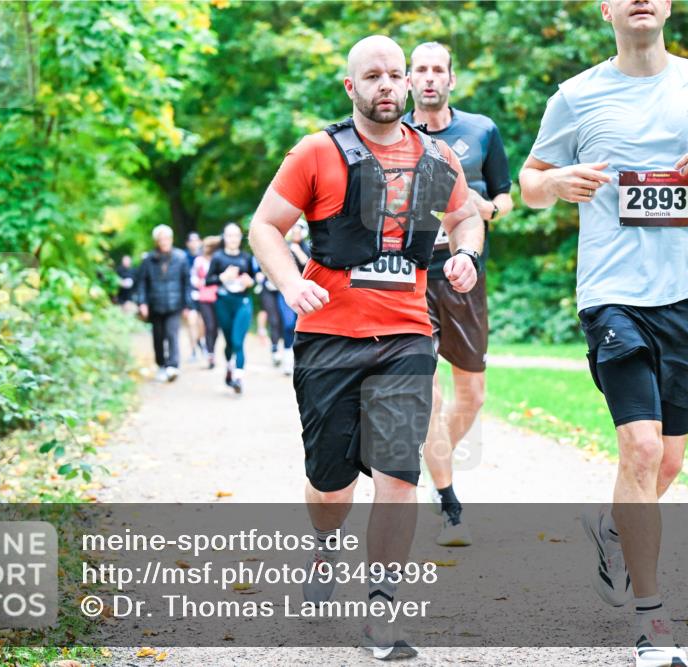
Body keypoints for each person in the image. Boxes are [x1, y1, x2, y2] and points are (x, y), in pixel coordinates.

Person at [519, 1, 688, 665]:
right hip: (612, 295)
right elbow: (530, 181)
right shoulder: (576, 95)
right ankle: (652, 624)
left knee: (668, 460)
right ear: (606, 8)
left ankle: (609, 526)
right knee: (642, 448)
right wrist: (555, 182)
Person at [248, 35, 482, 660]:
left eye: (395, 75)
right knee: (330, 486)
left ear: (408, 86)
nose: (386, 85)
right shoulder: (316, 153)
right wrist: (292, 281)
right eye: (372, 76)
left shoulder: (435, 158)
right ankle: (324, 546)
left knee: (398, 473)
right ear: (351, 87)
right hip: (326, 337)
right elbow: (265, 226)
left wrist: (466, 255)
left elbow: (467, 215)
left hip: (406, 335)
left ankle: (382, 611)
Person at [402, 42, 513, 547]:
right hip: (410, 276)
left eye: (437, 70)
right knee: (428, 392)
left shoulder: (481, 130)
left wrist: (478, 208)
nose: (429, 78)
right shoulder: (392, 134)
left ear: (451, 79)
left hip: (464, 271)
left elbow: (505, 198)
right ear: (408, 81)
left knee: (471, 393)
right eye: (420, 70)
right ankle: (449, 501)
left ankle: (433, 456)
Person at [134, 225, 195, 383]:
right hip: (155, 304)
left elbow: (187, 283)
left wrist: (188, 305)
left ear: (171, 239)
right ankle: (161, 365)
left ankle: (173, 366)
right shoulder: (148, 259)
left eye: (167, 238)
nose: (164, 242)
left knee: (172, 334)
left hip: (175, 305)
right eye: (161, 239)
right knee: (158, 337)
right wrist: (142, 303)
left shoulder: (180, 257)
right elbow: (142, 283)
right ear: (156, 241)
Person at [205, 223, 255, 394]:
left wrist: (250, 282)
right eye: (229, 235)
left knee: (237, 341)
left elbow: (254, 279)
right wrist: (222, 277)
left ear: (240, 237)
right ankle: (229, 367)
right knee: (228, 341)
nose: (233, 239)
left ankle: (238, 378)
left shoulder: (246, 257)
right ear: (224, 237)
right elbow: (208, 281)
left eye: (236, 235)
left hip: (243, 303)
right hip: (224, 303)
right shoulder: (218, 257)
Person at [276, 221, 311, 375]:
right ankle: (287, 358)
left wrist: (297, 251)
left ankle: (301, 359)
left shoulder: (308, 247)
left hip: (305, 292)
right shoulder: (284, 246)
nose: (296, 233)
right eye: (293, 230)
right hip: (286, 291)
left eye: (299, 230)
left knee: (303, 327)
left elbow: (308, 264)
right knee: (289, 324)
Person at [192, 236, 221, 369]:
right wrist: (198, 283)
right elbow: (193, 277)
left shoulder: (218, 260)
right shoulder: (199, 261)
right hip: (204, 297)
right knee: (209, 325)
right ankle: (210, 354)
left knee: (216, 328)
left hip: (218, 296)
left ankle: (211, 350)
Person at [183, 232, 206, 362]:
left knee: (202, 323)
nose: (194, 243)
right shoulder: (183, 257)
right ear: (187, 243)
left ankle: (200, 341)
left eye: (196, 240)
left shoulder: (205, 256)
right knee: (191, 321)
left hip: (203, 293)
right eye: (191, 240)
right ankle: (193, 351)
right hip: (188, 294)